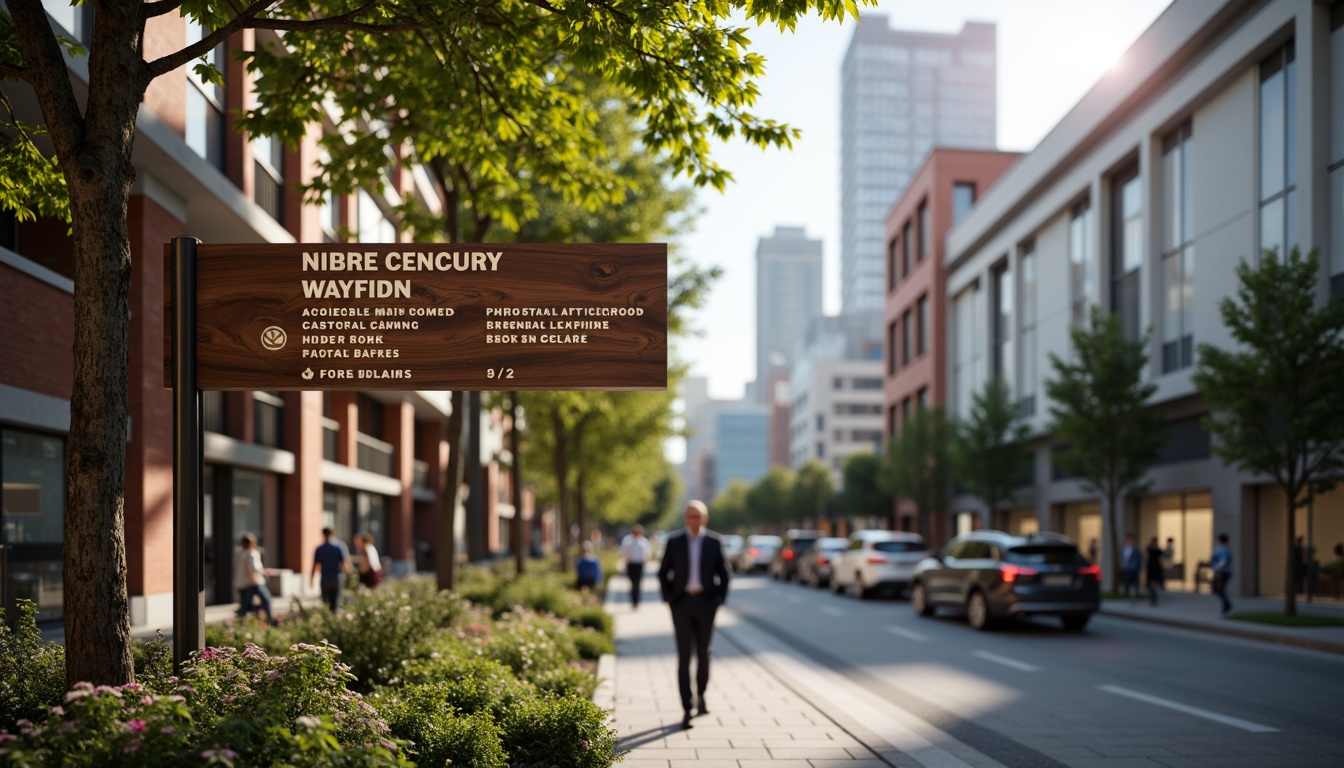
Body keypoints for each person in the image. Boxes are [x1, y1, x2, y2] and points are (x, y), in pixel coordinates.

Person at [657, 499, 730, 731]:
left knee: (704, 654)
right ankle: (686, 707)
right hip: (682, 604)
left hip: (706, 603)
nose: (693, 520)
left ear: (704, 519)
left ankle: (701, 695)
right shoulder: (675, 541)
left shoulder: (714, 542)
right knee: (684, 655)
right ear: (685, 518)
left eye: (697, 516)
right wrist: (669, 598)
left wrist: (718, 601)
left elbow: (725, 574)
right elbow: (662, 572)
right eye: (689, 516)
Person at [233, 533, 275, 625]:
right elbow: (253, 569)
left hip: (243, 583)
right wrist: (265, 572)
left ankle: (240, 624)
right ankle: (270, 620)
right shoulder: (252, 554)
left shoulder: (242, 554)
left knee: (245, 606)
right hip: (253, 582)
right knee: (266, 600)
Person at [310, 527, 351, 612]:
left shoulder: (319, 549)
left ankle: (327, 620)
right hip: (337, 578)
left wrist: (311, 579)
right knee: (335, 602)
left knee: (325, 602)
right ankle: (333, 620)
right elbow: (345, 564)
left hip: (325, 578)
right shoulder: (339, 547)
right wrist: (348, 577)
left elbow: (314, 565)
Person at [620, 524, 652, 609]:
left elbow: (648, 554)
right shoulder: (627, 540)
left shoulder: (644, 542)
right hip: (631, 564)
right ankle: (633, 599)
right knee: (632, 583)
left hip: (639, 564)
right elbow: (623, 552)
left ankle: (636, 601)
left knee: (637, 583)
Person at [1210, 532, 1233, 614]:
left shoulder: (1224, 550)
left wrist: (1215, 568)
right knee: (1218, 589)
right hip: (1221, 573)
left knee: (1218, 589)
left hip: (1222, 573)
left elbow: (1223, 561)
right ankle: (1226, 605)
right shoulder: (1219, 549)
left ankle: (1227, 605)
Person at [1145, 536, 1165, 606]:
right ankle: (1153, 597)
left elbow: (1162, 554)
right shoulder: (1149, 548)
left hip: (1155, 568)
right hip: (1151, 568)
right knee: (1151, 583)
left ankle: (1154, 597)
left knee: (1154, 583)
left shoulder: (1157, 550)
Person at [1121, 534, 1143, 598]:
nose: (1130, 541)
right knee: (1127, 581)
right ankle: (1126, 593)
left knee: (1135, 581)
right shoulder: (1124, 548)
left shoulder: (1136, 549)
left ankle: (1136, 593)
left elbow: (1140, 559)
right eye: (1129, 539)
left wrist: (1139, 567)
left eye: (1131, 539)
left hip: (1134, 568)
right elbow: (1123, 558)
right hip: (1127, 568)